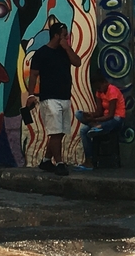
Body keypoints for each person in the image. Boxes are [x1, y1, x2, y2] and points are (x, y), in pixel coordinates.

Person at [24, 22, 81, 175]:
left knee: (61, 132)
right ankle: (60, 163)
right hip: (49, 98)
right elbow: (34, 75)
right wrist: (30, 95)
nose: (66, 38)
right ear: (56, 35)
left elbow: (77, 62)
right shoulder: (42, 53)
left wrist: (67, 48)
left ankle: (47, 160)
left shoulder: (65, 51)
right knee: (55, 132)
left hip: (64, 97)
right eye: (64, 35)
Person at [73, 69, 126, 170]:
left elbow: (110, 115)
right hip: (103, 120)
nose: (99, 90)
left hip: (116, 119)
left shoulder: (112, 90)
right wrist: (90, 115)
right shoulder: (99, 92)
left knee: (105, 124)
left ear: (104, 82)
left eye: (100, 87)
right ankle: (89, 161)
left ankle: (97, 127)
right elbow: (99, 111)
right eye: (97, 88)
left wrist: (97, 119)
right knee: (83, 129)